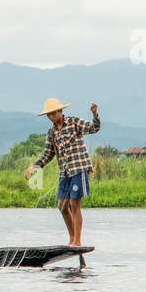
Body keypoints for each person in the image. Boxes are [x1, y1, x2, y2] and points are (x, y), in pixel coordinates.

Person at [23, 98, 100, 247]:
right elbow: (48, 154)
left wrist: (95, 114)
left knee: (74, 204)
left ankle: (77, 241)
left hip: (78, 168)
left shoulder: (74, 122)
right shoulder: (51, 132)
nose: (51, 117)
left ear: (60, 111)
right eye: (49, 115)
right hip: (64, 172)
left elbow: (93, 128)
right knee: (62, 206)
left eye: (53, 114)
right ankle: (72, 239)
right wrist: (35, 166)